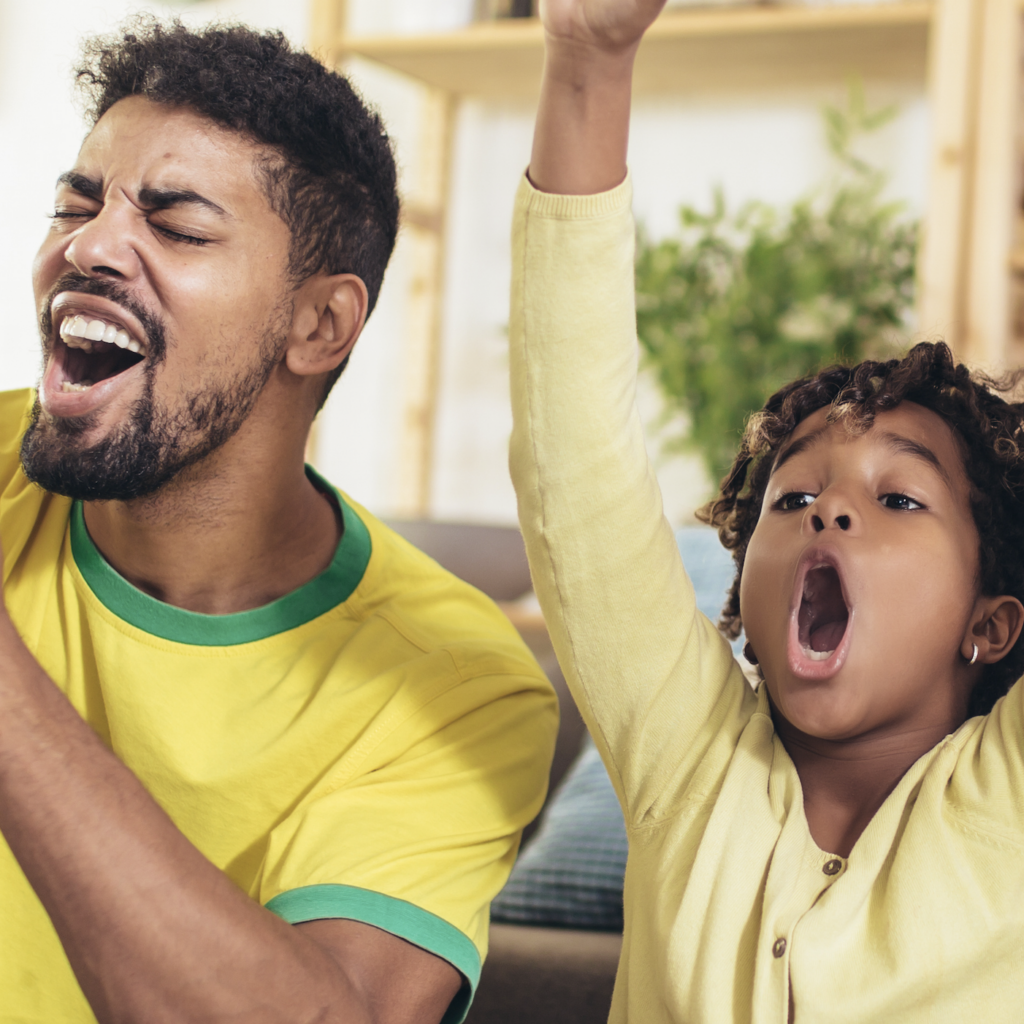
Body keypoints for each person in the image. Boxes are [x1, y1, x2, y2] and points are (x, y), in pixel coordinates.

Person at [0, 18, 557, 1024]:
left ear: (318, 325)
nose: (85, 246)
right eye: (74, 205)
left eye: (175, 226)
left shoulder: (455, 683)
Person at [508, 1, 1024, 1020]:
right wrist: (586, 58)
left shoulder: (1004, 793)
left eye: (897, 496)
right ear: (741, 594)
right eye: (793, 493)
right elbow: (576, 463)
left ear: (989, 619)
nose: (827, 509)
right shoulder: (687, 753)